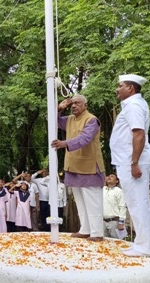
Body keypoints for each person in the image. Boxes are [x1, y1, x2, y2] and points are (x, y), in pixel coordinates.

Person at [110, 74, 150, 257]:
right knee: (135, 203)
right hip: (128, 161)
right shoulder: (132, 105)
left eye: (120, 86)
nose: (117, 89)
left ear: (130, 88)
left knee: (138, 203)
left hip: (132, 162)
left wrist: (134, 163)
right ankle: (141, 244)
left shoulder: (134, 106)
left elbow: (139, 134)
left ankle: (145, 247)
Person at [51, 94, 106, 241]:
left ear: (85, 105)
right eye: (72, 104)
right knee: (80, 201)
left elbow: (85, 138)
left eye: (77, 103)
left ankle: (97, 233)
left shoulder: (91, 120)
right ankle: (86, 229)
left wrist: (65, 143)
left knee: (92, 200)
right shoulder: (69, 119)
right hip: (73, 166)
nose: (74, 106)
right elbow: (52, 120)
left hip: (89, 166)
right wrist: (60, 108)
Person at [102, 173, 127, 239]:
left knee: (116, 242)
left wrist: (121, 222)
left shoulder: (119, 191)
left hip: (114, 222)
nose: (109, 177)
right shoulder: (102, 189)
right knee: (104, 243)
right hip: (102, 222)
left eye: (112, 176)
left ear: (117, 181)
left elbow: (122, 207)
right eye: (109, 176)